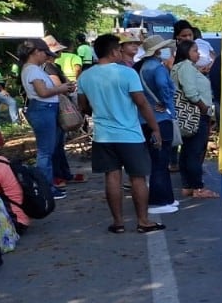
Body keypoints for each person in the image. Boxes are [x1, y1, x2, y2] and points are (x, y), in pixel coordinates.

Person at [75, 34, 165, 234]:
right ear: (114, 51)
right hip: (130, 134)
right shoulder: (127, 73)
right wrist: (155, 128)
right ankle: (143, 221)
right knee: (137, 178)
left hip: (103, 135)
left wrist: (99, 110)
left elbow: (83, 106)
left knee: (112, 177)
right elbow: (141, 103)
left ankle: (118, 222)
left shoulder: (85, 76)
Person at [17, 38, 75, 200]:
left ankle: (48, 185)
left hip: (44, 109)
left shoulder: (31, 69)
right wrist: (61, 88)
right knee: (45, 152)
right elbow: (42, 92)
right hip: (43, 110)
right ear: (36, 52)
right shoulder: (33, 70)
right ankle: (46, 188)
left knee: (48, 150)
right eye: (45, 53)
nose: (47, 57)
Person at [137, 35, 179, 214]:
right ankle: (159, 201)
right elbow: (164, 87)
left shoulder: (142, 68)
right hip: (161, 118)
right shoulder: (158, 68)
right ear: (158, 51)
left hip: (144, 118)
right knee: (161, 161)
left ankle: (167, 197)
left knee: (156, 160)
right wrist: (168, 105)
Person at [173, 40, 218, 198]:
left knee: (187, 151)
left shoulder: (183, 67)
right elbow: (191, 92)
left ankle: (188, 185)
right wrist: (203, 107)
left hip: (190, 114)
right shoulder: (186, 67)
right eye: (195, 50)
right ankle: (197, 187)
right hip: (196, 114)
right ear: (186, 52)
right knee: (194, 151)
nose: (198, 54)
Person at [43, 36, 84, 189]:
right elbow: (58, 86)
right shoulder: (49, 67)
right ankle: (58, 175)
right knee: (55, 144)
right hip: (56, 105)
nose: (59, 53)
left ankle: (63, 173)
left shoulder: (53, 66)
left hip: (57, 104)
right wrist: (67, 87)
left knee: (59, 143)